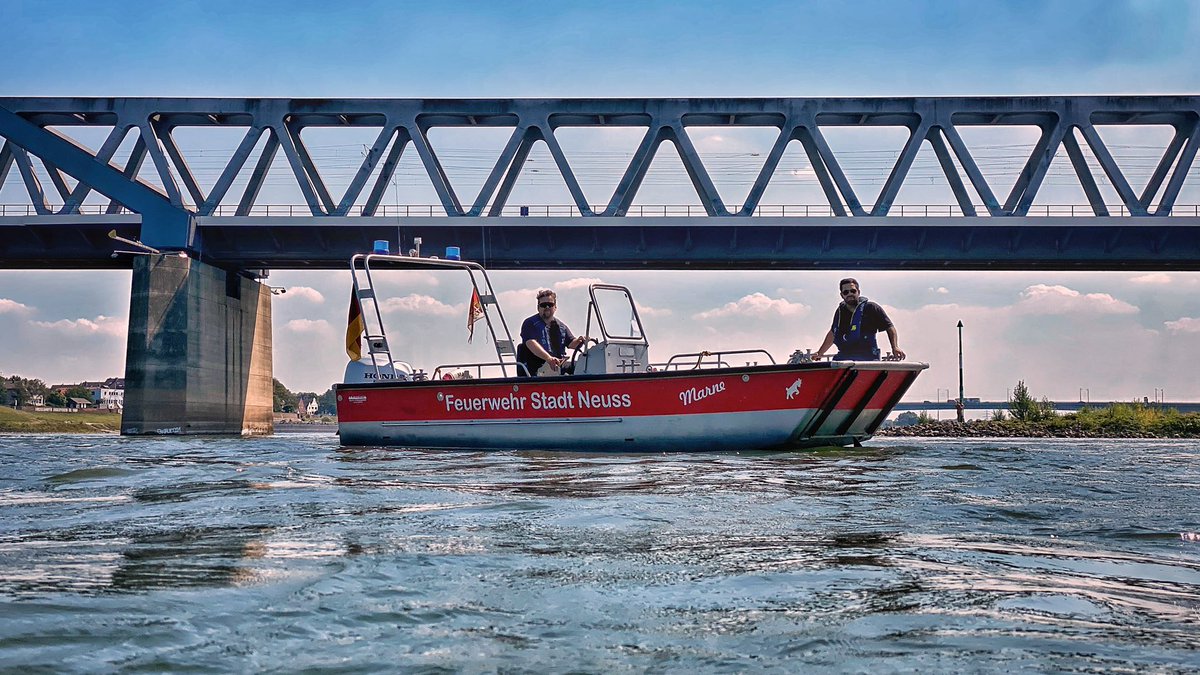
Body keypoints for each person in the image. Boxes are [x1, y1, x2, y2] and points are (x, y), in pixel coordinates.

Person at [813, 278, 905, 361]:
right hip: (845, 356)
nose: (850, 294)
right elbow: (833, 333)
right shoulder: (840, 312)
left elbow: (890, 327)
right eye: (846, 292)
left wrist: (895, 347)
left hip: (867, 356)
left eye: (853, 291)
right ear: (841, 295)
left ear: (858, 292)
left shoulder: (872, 308)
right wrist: (820, 353)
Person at [516, 289, 589, 377]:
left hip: (557, 366)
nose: (547, 307)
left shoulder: (561, 326)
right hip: (536, 368)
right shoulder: (530, 323)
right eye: (543, 305)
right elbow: (531, 342)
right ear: (538, 307)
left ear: (555, 307)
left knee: (583, 367)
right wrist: (549, 359)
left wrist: (579, 341)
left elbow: (571, 343)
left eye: (550, 305)